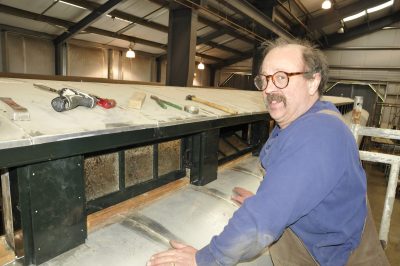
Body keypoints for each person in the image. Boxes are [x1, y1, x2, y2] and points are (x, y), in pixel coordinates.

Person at [147, 38, 389, 266]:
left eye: (282, 78)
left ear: (313, 82)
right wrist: (269, 199)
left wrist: (205, 258)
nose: (269, 89)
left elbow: (259, 225)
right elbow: (299, 190)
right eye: (265, 79)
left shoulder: (317, 133)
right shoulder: (297, 124)